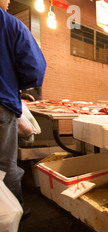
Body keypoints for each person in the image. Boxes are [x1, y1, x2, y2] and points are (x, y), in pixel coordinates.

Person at [0, 0, 46, 213]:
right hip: (2, 103)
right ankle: (11, 216)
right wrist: (17, 84)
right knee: (4, 165)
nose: (9, 2)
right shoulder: (11, 24)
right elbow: (34, 69)